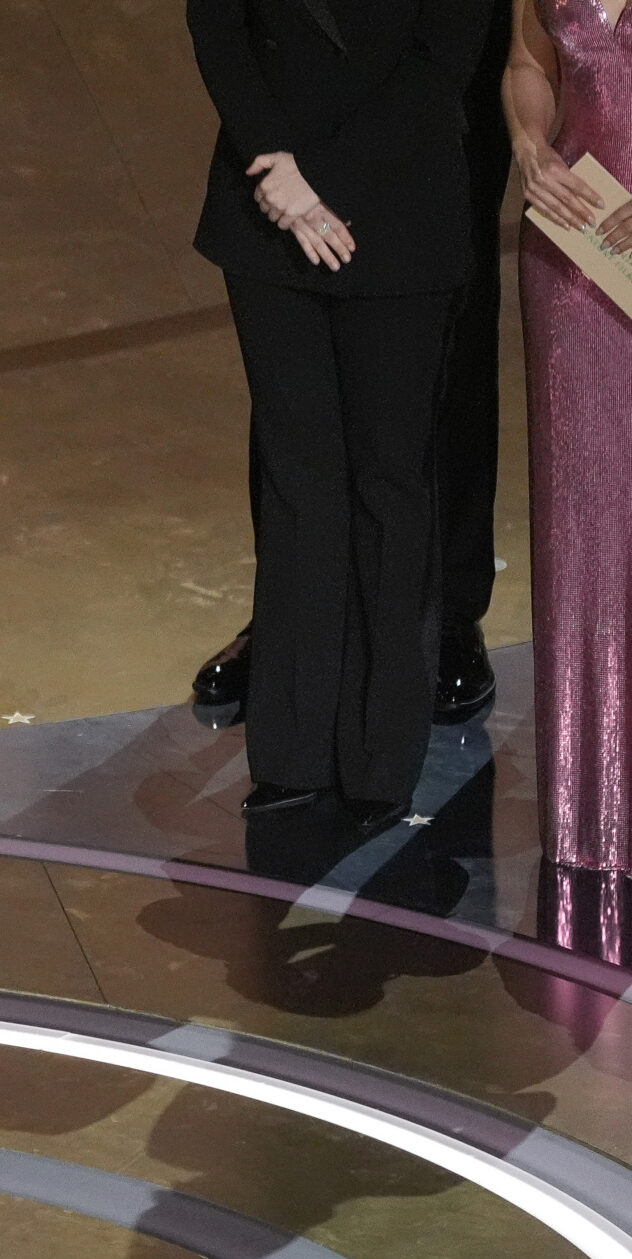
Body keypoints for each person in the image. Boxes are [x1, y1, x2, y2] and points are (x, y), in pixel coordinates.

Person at [185, 0, 493, 832]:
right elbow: (217, 20)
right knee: (299, 479)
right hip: (267, 218)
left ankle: (378, 761)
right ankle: (291, 751)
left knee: (389, 485)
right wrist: (272, 164)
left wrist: (315, 180)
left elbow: (442, 62)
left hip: (397, 214)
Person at [508, 0, 632, 892]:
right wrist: (528, 145)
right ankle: (591, 807)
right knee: (580, 517)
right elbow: (530, 64)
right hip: (576, 251)